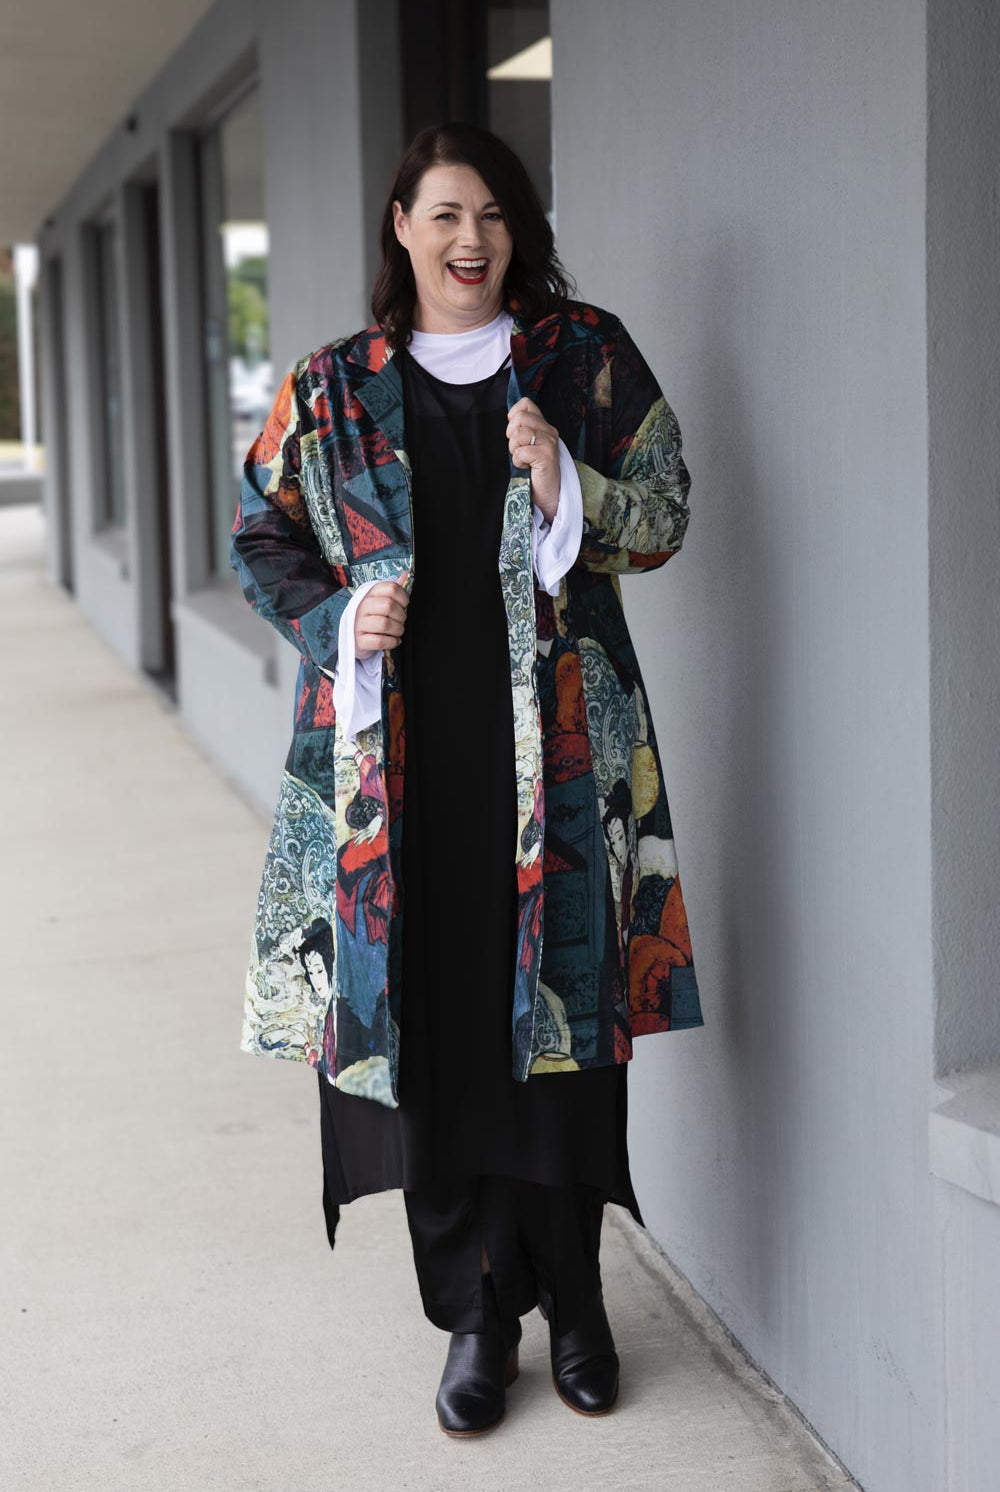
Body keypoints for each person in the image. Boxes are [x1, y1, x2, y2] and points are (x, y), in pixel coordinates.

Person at [230, 120, 705, 1437]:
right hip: (399, 781)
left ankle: (580, 1301)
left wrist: (570, 485)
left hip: (558, 771)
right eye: (444, 213)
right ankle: (478, 1319)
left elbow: (667, 508)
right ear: (402, 227)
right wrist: (337, 619)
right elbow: (259, 532)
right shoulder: (333, 387)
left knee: (559, 1037)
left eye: (491, 213)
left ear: (516, 229)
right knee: (435, 1037)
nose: (470, 239)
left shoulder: (581, 355)